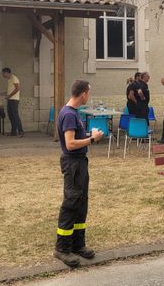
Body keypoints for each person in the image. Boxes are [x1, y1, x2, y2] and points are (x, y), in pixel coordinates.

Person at [53, 79, 104, 267]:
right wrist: (92, 139)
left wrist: (90, 135)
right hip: (73, 163)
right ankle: (62, 248)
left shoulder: (73, 113)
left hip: (80, 163)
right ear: (83, 94)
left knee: (81, 203)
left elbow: (75, 138)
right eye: (88, 93)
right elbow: (70, 144)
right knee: (71, 203)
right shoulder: (68, 114)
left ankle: (77, 244)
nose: (88, 96)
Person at [2, 67, 24, 138]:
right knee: (11, 116)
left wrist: (9, 96)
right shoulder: (9, 80)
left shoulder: (14, 78)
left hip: (14, 100)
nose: (3, 75)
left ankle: (21, 131)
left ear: (7, 73)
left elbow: (17, 88)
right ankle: (13, 132)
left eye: (3, 73)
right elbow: (9, 91)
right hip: (10, 99)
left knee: (15, 116)